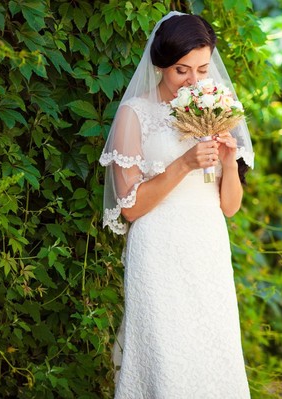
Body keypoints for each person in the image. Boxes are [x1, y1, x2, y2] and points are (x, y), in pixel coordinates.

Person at [99, 10, 254, 398]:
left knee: (213, 355)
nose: (195, 81)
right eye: (182, 70)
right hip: (159, 252)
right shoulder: (134, 115)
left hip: (208, 248)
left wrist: (228, 164)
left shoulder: (217, 109)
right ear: (161, 64)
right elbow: (130, 209)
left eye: (203, 69)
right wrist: (184, 163)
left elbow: (230, 207)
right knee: (166, 358)